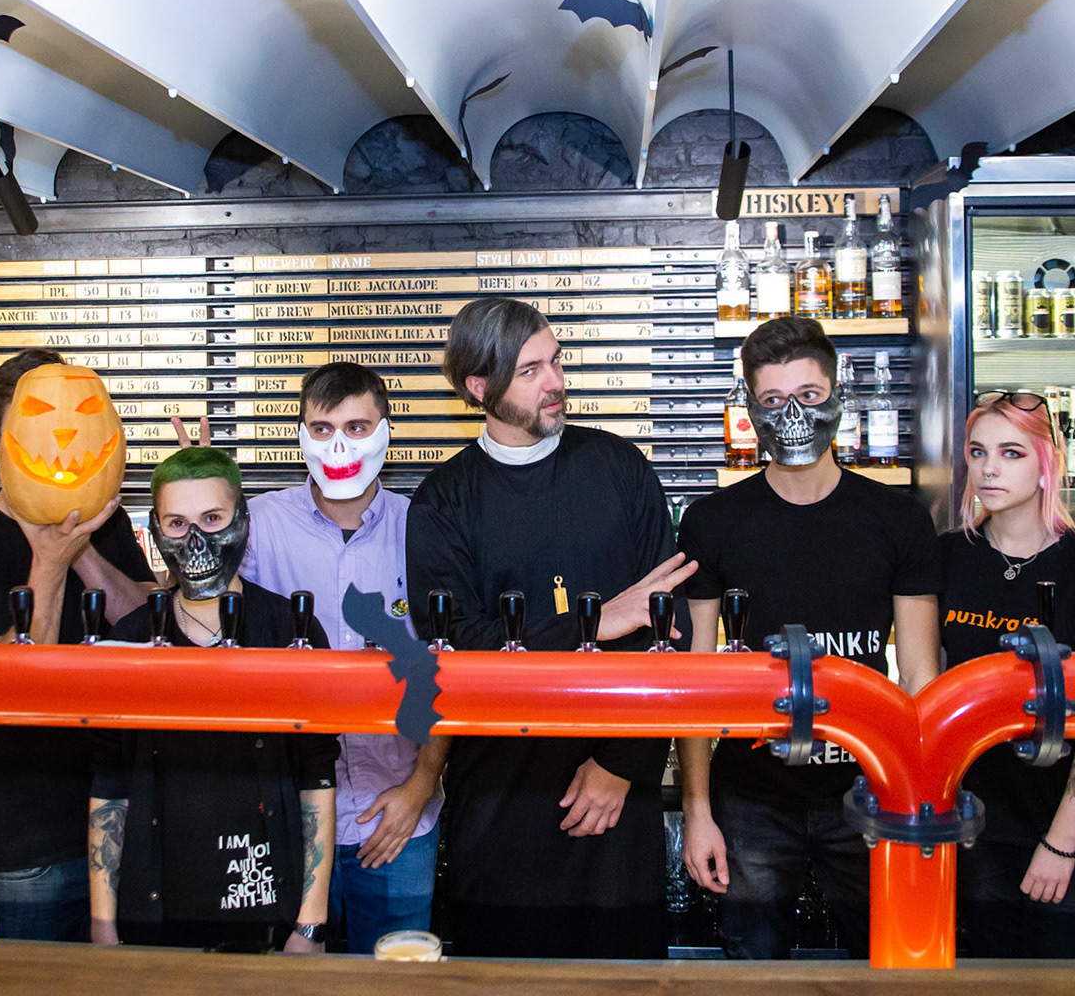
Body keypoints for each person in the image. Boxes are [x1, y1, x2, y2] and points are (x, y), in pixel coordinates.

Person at [406, 296, 699, 959]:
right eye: (531, 370)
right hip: (499, 803)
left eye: (557, 362)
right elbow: (457, 650)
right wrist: (596, 622)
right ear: (479, 387)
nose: (556, 382)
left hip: (619, 799)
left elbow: (669, 634)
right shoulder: (443, 501)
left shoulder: (620, 469)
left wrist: (623, 764)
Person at [675, 317, 941, 960]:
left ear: (838, 397)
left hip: (869, 790)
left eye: (809, 395)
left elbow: (920, 677)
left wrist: (918, 799)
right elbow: (696, 681)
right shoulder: (712, 521)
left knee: (892, 962)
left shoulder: (897, 520)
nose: (792, 414)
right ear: (749, 410)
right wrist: (698, 811)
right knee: (755, 971)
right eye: (772, 399)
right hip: (751, 797)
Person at [0, 349, 153, 942]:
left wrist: (79, 546)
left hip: (119, 821)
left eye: (79, 418)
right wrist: (50, 561)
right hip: (26, 842)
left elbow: (150, 626)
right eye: (33, 420)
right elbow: (13, 681)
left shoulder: (106, 523)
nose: (60, 439)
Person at [88, 447, 336, 951]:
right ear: (155, 532)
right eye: (177, 524)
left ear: (243, 521)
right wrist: (102, 921)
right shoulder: (131, 640)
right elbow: (109, 787)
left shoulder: (291, 631)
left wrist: (310, 923)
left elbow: (317, 781)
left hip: (263, 903)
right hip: (155, 915)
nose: (196, 540)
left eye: (213, 519)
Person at [242, 361, 448, 953]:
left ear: (386, 431)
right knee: (288, 982)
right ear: (300, 434)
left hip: (400, 818)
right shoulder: (258, 525)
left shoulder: (424, 529)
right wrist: (205, 501)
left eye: (357, 427)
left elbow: (446, 668)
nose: (339, 445)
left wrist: (420, 787)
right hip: (288, 818)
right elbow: (202, 624)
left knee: (397, 977)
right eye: (323, 428)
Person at [939, 391, 1075, 958]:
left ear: (1047, 464)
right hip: (974, 822)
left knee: (1058, 979)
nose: (989, 468)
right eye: (978, 452)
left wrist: (1063, 839)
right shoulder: (947, 559)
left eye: (1011, 453)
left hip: (1062, 820)